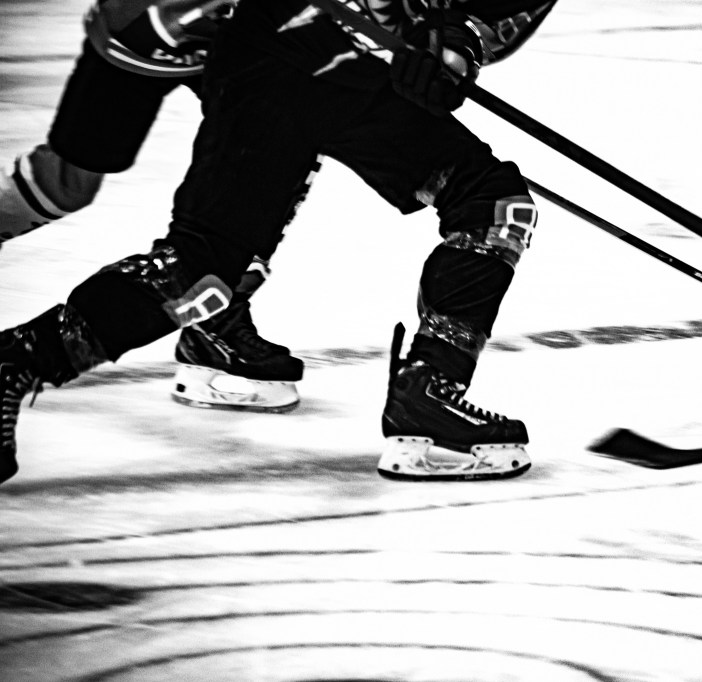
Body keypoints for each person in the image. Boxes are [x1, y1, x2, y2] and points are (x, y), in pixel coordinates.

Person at [0, 0, 558, 485]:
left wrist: (452, 46)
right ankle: (20, 359)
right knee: (172, 249)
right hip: (227, 49)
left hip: (339, 72)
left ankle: (428, 394)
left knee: (490, 203)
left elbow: (469, 27)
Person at [0, 0, 307, 413]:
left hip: (266, 42)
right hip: (160, 27)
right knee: (68, 184)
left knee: (284, 150)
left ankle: (214, 321)